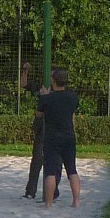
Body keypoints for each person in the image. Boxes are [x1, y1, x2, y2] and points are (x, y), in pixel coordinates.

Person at [39, 67, 82, 208]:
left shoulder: (47, 98)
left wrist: (44, 97)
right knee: (72, 169)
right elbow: (71, 112)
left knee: (51, 171)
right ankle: (76, 201)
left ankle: (49, 203)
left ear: (53, 81)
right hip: (69, 136)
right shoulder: (73, 97)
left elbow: (39, 114)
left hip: (52, 138)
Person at [19, 61, 55, 200]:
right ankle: (30, 191)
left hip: (54, 127)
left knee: (54, 162)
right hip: (42, 127)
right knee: (37, 159)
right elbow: (24, 84)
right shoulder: (41, 86)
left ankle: (52, 192)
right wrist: (25, 71)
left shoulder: (60, 91)